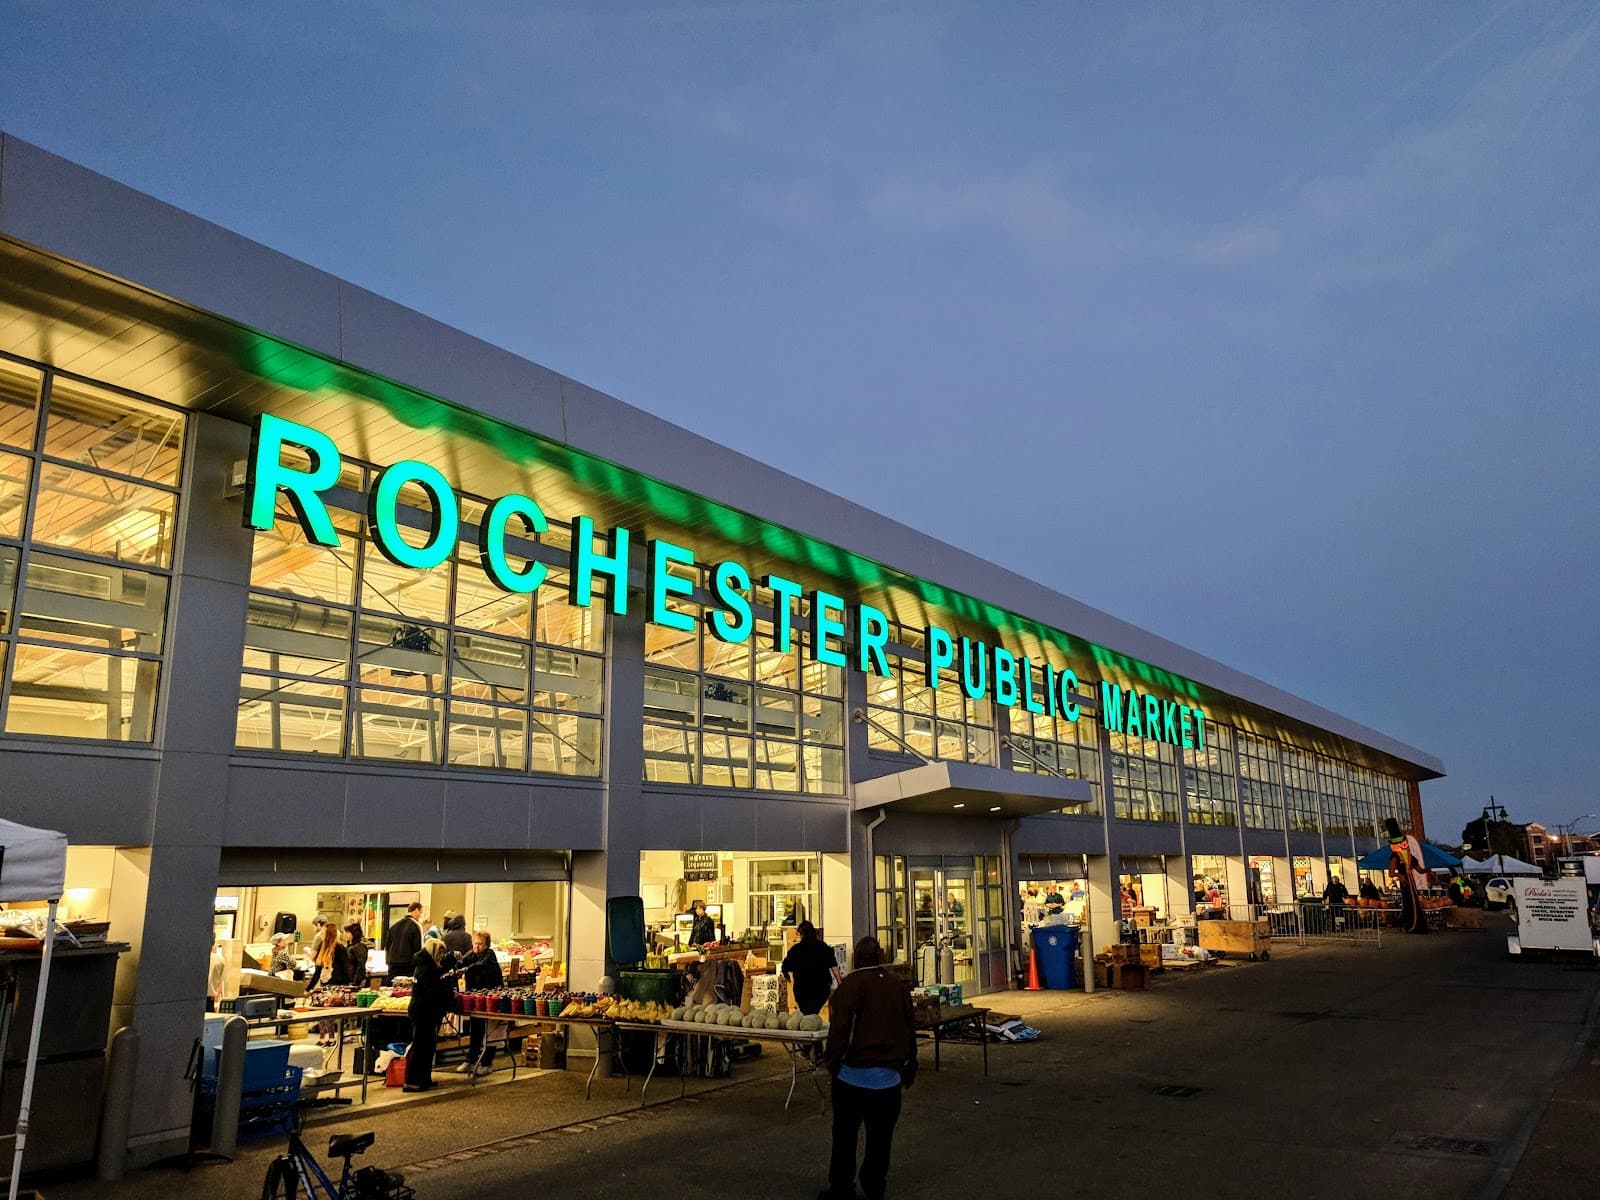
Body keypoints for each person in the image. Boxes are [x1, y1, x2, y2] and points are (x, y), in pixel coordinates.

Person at [822, 936, 916, 1200]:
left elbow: (840, 1031)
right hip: (888, 1080)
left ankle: (842, 1187)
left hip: (852, 1077)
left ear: (856, 959)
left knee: (845, 1135)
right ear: (880, 956)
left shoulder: (849, 987)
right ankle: (874, 1183)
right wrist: (909, 1065)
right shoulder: (898, 987)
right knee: (880, 1138)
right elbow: (909, 1028)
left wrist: (832, 1061)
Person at [404, 938, 454, 1092]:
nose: (441, 956)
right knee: (420, 1046)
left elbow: (438, 973)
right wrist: (449, 995)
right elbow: (433, 992)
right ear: (433, 952)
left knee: (428, 1046)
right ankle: (412, 1081)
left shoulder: (426, 965)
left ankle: (424, 1079)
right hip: (422, 1011)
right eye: (439, 953)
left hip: (426, 1010)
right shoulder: (425, 969)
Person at [456, 929, 505, 1076]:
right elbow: (461, 963)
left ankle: (486, 1063)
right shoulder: (471, 955)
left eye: (480, 944)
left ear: (486, 945)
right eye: (475, 943)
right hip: (475, 999)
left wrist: (465, 969)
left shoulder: (489, 956)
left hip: (491, 998)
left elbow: (480, 966)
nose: (477, 947)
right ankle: (471, 1059)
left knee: (490, 1032)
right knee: (475, 1030)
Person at [782, 921, 837, 1016]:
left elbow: (785, 966)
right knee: (814, 1013)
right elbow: (834, 966)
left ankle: (808, 1023)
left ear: (801, 934)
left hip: (802, 990)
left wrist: (788, 977)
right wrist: (840, 982)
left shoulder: (796, 950)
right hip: (821, 989)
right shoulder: (823, 947)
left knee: (807, 1014)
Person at [1385, 818, 1429, 934]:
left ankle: (1417, 924)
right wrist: (1400, 875)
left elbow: (1419, 869)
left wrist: (1427, 871)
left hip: (1411, 883)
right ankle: (1411, 925)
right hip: (1405, 883)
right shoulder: (1395, 857)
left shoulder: (1410, 857)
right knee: (1408, 902)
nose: (1403, 845)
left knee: (1415, 901)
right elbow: (1391, 872)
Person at [311, 923, 352, 1045]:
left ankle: (323, 1037)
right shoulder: (341, 949)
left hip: (325, 984)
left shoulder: (323, 949)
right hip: (336, 986)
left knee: (322, 1013)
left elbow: (317, 971)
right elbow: (346, 968)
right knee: (330, 1014)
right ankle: (331, 1038)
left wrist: (309, 987)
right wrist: (347, 983)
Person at [384, 902, 424, 973]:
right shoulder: (416, 926)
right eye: (421, 913)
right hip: (407, 966)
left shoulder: (394, 926)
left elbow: (387, 946)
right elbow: (418, 948)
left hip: (392, 965)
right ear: (416, 910)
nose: (421, 915)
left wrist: (388, 962)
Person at [345, 923, 370, 987]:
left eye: (348, 932)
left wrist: (355, 982)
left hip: (356, 981)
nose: (345, 935)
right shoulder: (349, 946)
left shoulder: (359, 947)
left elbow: (360, 965)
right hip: (349, 979)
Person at [207, 937, 225, 1013]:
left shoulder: (198, 957)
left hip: (196, 999)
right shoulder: (220, 959)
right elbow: (219, 980)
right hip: (210, 998)